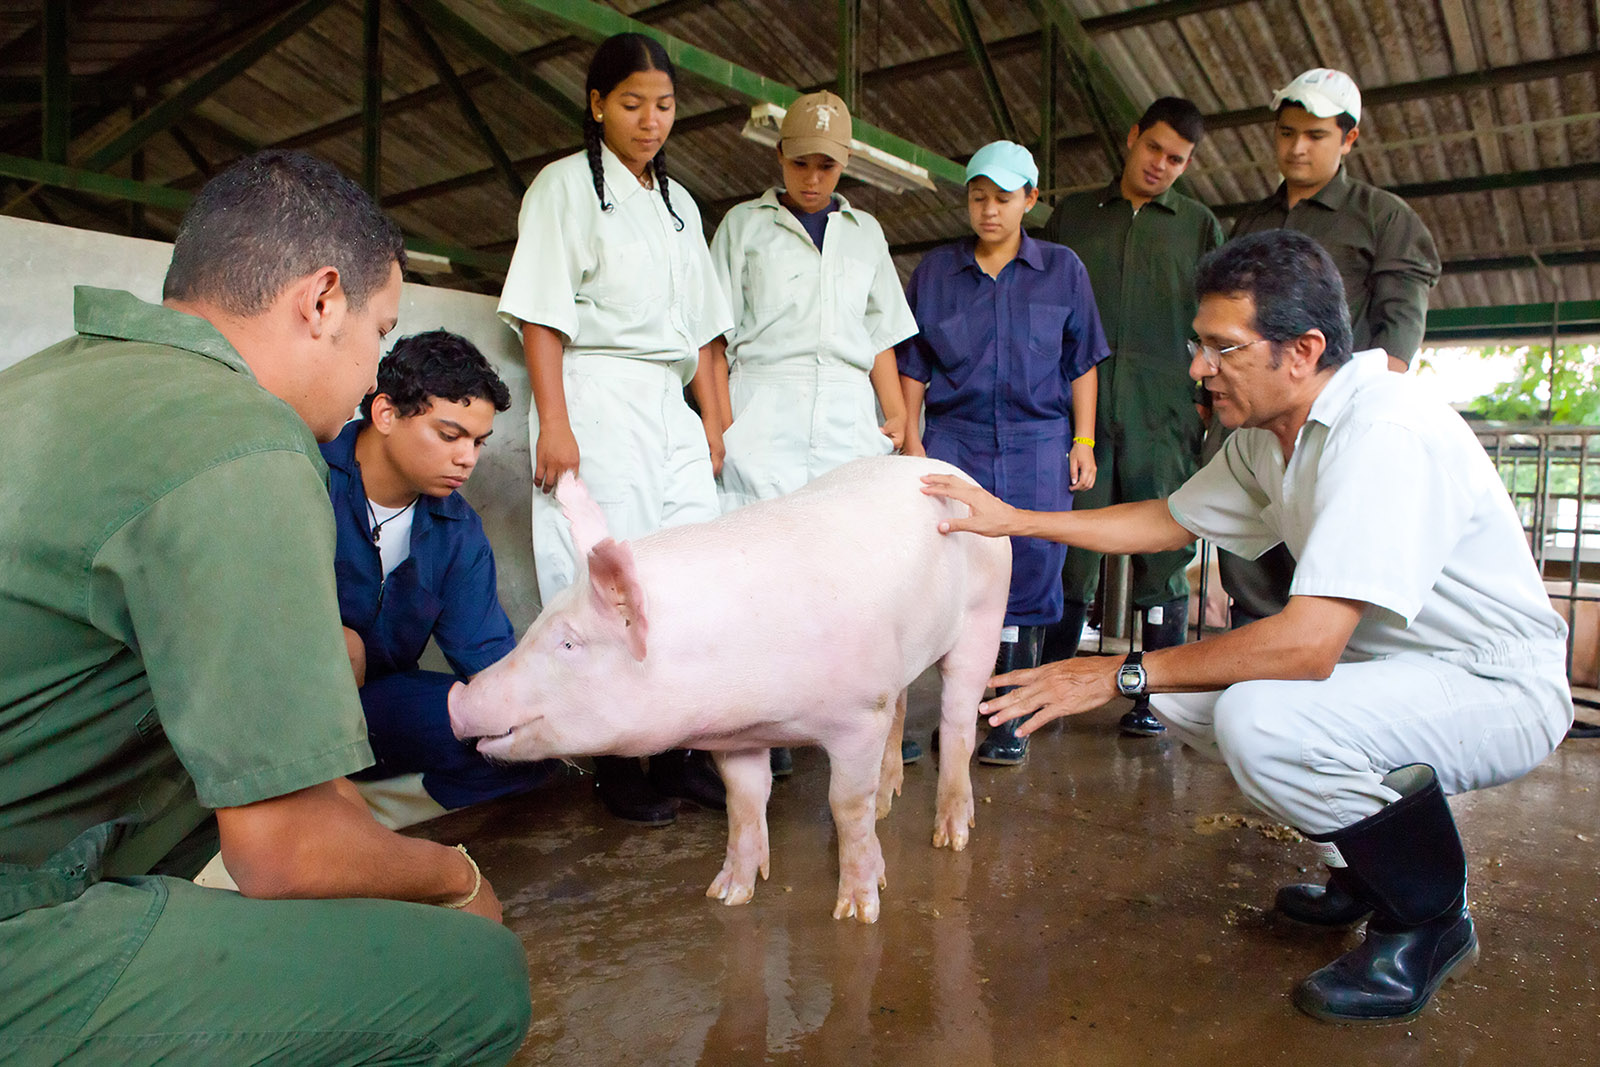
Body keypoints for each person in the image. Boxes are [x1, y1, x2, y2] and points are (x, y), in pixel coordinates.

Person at [923, 229, 1572, 1024]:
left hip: (1492, 684)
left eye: (1221, 348)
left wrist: (1117, 672)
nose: (1199, 367)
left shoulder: (1384, 431)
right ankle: (1361, 872)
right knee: (1198, 703)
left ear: (1301, 351)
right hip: (1395, 676)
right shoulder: (1268, 438)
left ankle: (1430, 919)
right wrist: (1012, 518)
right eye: (1200, 345)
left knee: (1260, 717)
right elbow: (1168, 520)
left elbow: (1307, 644)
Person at [0, 151, 530, 1064]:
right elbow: (280, 850)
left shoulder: (41, 383)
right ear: (322, 302)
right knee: (479, 979)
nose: (372, 370)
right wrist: (452, 871)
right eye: (380, 328)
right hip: (20, 916)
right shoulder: (247, 441)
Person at [496, 32, 731, 825]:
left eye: (664, 106)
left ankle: (680, 749)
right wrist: (554, 425)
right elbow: (540, 316)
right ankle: (617, 762)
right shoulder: (563, 188)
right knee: (604, 578)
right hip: (591, 393)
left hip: (667, 403)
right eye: (632, 104)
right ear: (597, 105)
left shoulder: (680, 205)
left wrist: (712, 423)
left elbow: (704, 332)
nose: (650, 121)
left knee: (684, 572)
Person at [707, 89, 919, 772]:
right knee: (761, 573)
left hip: (846, 412)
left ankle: (846, 724)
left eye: (826, 165)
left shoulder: (867, 233)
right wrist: (724, 423)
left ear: (844, 164)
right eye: (801, 163)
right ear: (780, 157)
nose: (813, 177)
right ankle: (764, 731)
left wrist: (899, 423)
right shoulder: (743, 224)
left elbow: (883, 334)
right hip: (764, 397)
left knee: (847, 575)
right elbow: (710, 336)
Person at [898, 140, 1109, 766]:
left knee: (1031, 568)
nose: (989, 210)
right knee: (950, 567)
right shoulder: (935, 272)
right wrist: (912, 440)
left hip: (1038, 441)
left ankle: (1007, 721)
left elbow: (1083, 364)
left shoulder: (1064, 269)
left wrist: (1084, 439)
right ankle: (958, 715)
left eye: (1004, 198)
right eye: (979, 197)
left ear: (1029, 200)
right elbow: (913, 365)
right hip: (955, 439)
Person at [1222, 67, 1443, 627]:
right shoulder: (1252, 221)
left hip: (1333, 425)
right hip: (1256, 423)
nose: (1297, 148)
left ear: (1349, 139)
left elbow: (1398, 329)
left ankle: (1322, 659)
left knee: (1328, 558)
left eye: (1315, 135)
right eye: (1286, 132)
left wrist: (1362, 424)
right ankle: (1252, 666)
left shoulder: (1385, 218)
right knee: (1251, 554)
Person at [1042, 97, 1224, 737]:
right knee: (1072, 550)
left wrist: (1205, 396)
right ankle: (1052, 691)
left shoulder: (1198, 225)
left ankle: (1154, 699)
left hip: (1164, 408)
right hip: (1079, 405)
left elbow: (1219, 316)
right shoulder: (1075, 216)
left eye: (1177, 160)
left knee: (1165, 551)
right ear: (1132, 138)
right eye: (1155, 150)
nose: (1162, 167)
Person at [326, 329, 558, 828]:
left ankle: (365, 815)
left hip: (378, 707)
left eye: (478, 441)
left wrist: (535, 708)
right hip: (287, 699)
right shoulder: (305, 476)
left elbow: (487, 658)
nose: (468, 458)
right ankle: (315, 808)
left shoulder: (458, 530)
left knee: (531, 747)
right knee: (341, 651)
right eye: (450, 436)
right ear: (385, 413)